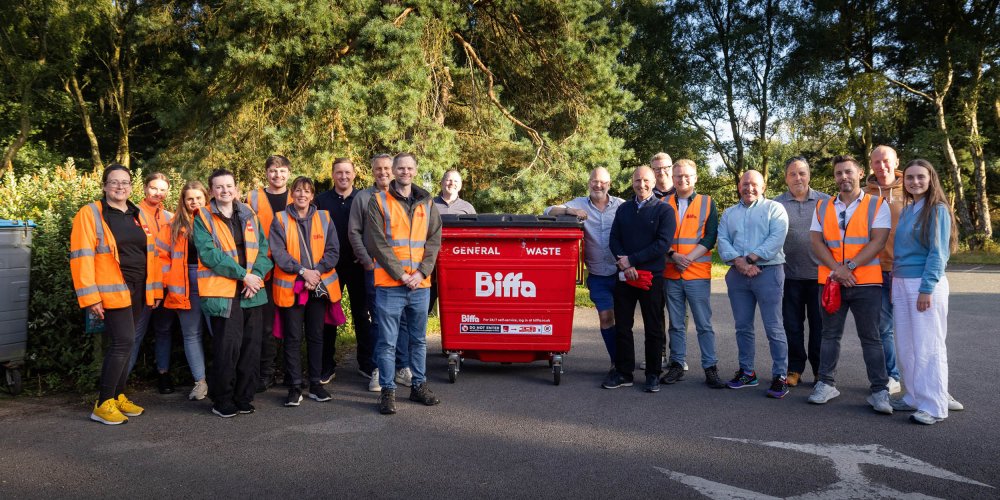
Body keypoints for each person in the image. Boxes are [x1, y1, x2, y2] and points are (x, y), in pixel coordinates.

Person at [70, 164, 162, 424]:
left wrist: (153, 290)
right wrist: (91, 297)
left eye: (125, 182)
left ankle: (118, 396)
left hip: (139, 287)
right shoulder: (91, 214)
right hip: (112, 289)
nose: (120, 187)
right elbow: (81, 258)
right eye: (114, 182)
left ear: (131, 186)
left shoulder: (137, 213)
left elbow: (150, 255)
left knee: (128, 342)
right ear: (104, 186)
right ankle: (103, 403)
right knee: (122, 342)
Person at [807, 155, 893, 414]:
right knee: (829, 335)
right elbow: (816, 242)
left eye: (848, 172)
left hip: (866, 283)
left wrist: (850, 268)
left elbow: (878, 241)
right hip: (832, 282)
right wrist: (838, 271)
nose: (843, 177)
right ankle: (825, 383)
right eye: (838, 173)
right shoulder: (822, 207)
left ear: (859, 173)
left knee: (871, 337)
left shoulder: (878, 204)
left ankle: (880, 391)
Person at [365, 153, 443, 415]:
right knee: (387, 341)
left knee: (419, 341)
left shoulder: (428, 202)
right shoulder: (379, 201)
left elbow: (434, 240)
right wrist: (401, 274)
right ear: (394, 171)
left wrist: (421, 273)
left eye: (410, 167)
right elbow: (376, 242)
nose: (405, 172)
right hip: (390, 284)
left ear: (415, 170)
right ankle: (387, 391)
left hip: (420, 285)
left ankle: (418, 386)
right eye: (401, 168)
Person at [193, 168, 273, 418]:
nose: (225, 190)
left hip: (253, 291)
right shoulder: (203, 217)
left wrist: (256, 277)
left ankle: (243, 397)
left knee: (251, 348)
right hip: (224, 293)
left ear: (236, 189)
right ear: (211, 191)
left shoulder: (250, 213)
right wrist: (243, 276)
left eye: (229, 186)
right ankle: (223, 400)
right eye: (219, 187)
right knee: (228, 348)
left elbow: (263, 249)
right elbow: (209, 255)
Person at [890, 159, 964, 424]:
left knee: (928, 346)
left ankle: (934, 406)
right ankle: (913, 396)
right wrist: (896, 284)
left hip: (924, 284)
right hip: (902, 282)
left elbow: (938, 253)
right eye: (910, 178)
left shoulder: (938, 209)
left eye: (921, 177)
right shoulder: (909, 209)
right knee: (907, 345)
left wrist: (926, 289)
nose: (915, 182)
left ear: (931, 179)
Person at [602, 166, 675, 393]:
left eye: (645, 180)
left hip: (651, 277)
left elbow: (662, 244)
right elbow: (614, 239)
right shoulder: (623, 209)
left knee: (653, 328)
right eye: (637, 180)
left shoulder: (664, 211)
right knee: (623, 326)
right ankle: (624, 372)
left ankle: (653, 374)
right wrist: (625, 263)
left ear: (653, 182)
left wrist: (632, 260)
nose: (641, 185)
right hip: (624, 277)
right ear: (632, 182)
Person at [718, 170, 791, 398]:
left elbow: (776, 238)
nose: (749, 188)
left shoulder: (774, 209)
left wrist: (750, 259)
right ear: (739, 186)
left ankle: (780, 375)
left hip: (768, 273)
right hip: (738, 276)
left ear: (764, 186)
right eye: (745, 184)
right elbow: (722, 241)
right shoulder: (729, 213)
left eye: (754, 184)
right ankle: (747, 372)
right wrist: (740, 263)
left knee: (774, 327)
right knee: (742, 327)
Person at [270, 176, 341, 406]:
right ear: (292, 193)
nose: (302, 195)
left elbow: (333, 251)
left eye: (307, 191)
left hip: (317, 286)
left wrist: (316, 272)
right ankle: (294, 387)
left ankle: (316, 384)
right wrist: (303, 271)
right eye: (298, 190)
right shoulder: (280, 219)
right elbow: (279, 253)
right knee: (292, 337)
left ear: (312, 196)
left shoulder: (324, 217)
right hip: (292, 286)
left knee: (316, 336)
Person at [545, 167, 625, 365]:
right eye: (594, 181)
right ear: (589, 183)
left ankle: (626, 361)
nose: (598, 185)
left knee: (624, 321)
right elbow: (548, 211)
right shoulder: (579, 204)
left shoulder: (621, 206)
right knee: (606, 317)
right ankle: (617, 362)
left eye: (603, 182)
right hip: (597, 275)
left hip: (620, 273)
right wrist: (569, 211)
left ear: (610, 184)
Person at [662, 159, 725, 389]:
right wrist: (673, 255)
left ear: (696, 177)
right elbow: (658, 237)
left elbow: (710, 237)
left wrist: (687, 258)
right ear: (672, 178)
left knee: (703, 324)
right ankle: (677, 365)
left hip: (696, 273)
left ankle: (710, 368)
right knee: (676, 324)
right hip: (671, 272)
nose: (682, 179)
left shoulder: (708, 203)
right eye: (678, 176)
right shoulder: (663, 203)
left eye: (687, 175)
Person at [348, 154, 406, 392]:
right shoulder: (363, 197)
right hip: (375, 271)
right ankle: (378, 369)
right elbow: (354, 232)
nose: (383, 172)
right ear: (372, 171)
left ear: (393, 171)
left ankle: (402, 368)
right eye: (378, 169)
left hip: (402, 270)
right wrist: (367, 262)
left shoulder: (404, 196)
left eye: (387, 168)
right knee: (379, 320)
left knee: (401, 319)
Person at [315, 158, 372, 387]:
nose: (343, 177)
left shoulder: (364, 198)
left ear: (354, 174)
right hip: (330, 268)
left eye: (347, 172)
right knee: (327, 317)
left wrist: (366, 253)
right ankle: (327, 366)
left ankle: (366, 364)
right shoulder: (321, 201)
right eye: (339, 172)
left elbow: (372, 230)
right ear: (332, 174)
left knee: (362, 316)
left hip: (358, 266)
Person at [774, 157, 830, 386]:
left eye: (802, 173)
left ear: (809, 175)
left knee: (820, 328)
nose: (798, 178)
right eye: (793, 174)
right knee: (792, 326)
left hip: (821, 277)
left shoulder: (827, 202)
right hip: (788, 278)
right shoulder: (776, 205)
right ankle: (794, 369)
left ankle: (820, 370)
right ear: (786, 177)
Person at [157, 181, 211, 401]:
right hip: (185, 285)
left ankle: (222, 377)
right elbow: (161, 258)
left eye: (198, 198)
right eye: (190, 198)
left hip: (212, 282)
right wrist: (169, 282)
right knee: (191, 334)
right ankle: (200, 382)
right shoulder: (172, 226)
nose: (194, 202)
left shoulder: (215, 221)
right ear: (183, 200)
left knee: (219, 332)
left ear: (206, 199)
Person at [128, 172, 178, 394]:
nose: (158, 193)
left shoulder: (170, 216)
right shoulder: (133, 214)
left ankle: (163, 374)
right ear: (145, 188)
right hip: (143, 286)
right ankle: (119, 381)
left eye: (162, 189)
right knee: (135, 334)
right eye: (154, 188)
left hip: (166, 285)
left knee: (164, 330)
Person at [246, 155, 292, 392]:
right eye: (273, 171)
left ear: (289, 173)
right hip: (262, 269)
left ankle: (291, 372)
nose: (278, 175)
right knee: (265, 324)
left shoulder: (297, 195)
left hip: (291, 269)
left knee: (292, 322)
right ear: (266, 173)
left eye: (282, 171)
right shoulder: (253, 197)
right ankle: (266, 372)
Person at [866, 145, 905, 393]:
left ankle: (921, 377)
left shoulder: (910, 189)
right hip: (876, 270)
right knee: (883, 328)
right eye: (877, 162)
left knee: (912, 327)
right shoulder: (865, 194)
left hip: (906, 270)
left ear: (896, 161)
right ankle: (892, 375)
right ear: (871, 165)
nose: (882, 166)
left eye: (886, 161)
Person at [428, 169, 476, 314]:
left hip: (458, 262)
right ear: (442, 183)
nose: (452, 183)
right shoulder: (429, 204)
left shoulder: (468, 208)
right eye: (448, 180)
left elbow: (474, 237)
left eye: (456, 181)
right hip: (432, 262)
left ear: (460, 185)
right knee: (425, 305)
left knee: (457, 306)